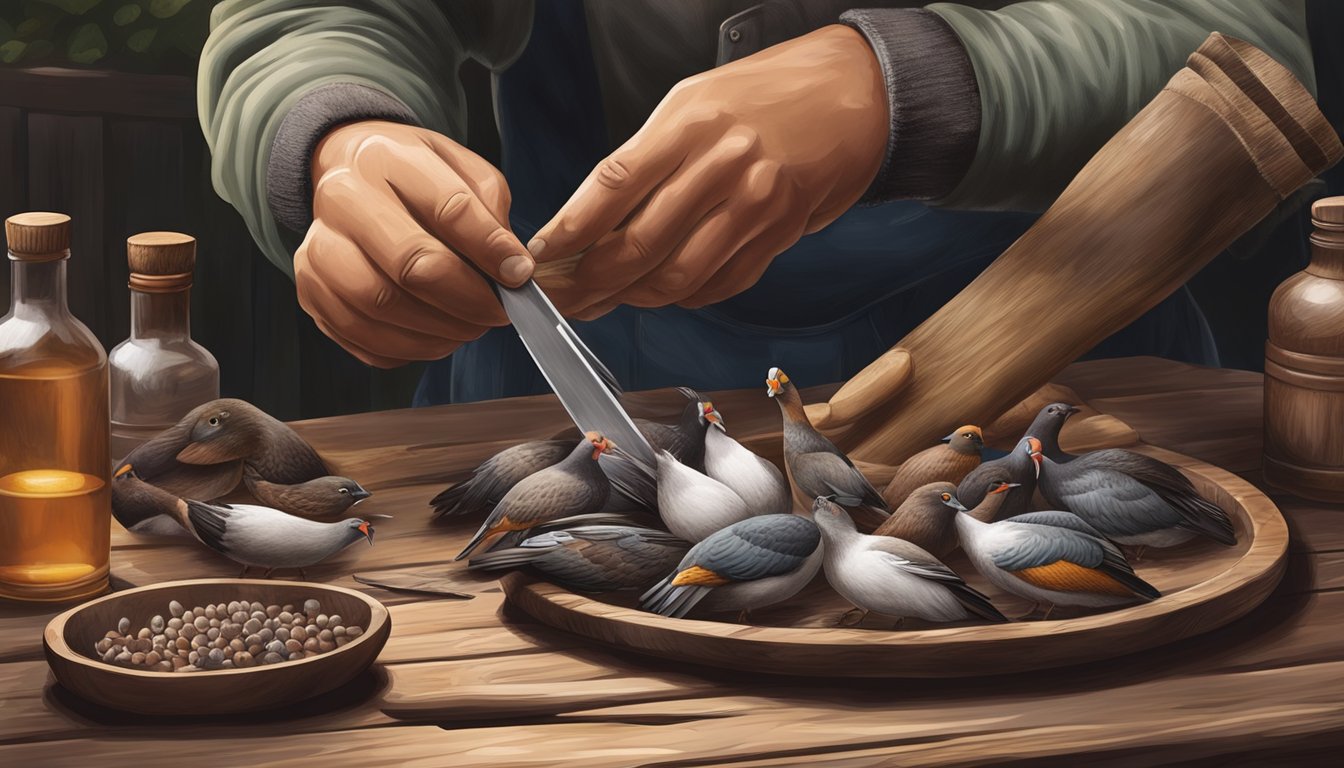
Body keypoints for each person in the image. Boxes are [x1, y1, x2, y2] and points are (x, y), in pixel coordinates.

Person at [198, 0, 1317, 406]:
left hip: (1060, 395)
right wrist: (335, 140)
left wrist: (901, 89)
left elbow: (1260, 54)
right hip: (571, 406)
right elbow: (309, 17)